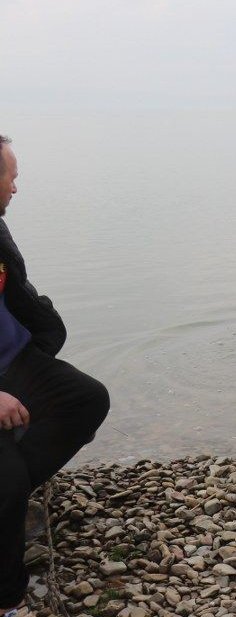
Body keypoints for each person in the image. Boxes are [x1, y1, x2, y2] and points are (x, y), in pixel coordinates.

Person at [0, 136, 110, 613]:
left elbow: (18, 290)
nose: (16, 187)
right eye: (11, 175)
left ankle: (14, 481)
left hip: (17, 359)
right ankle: (6, 598)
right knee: (3, 487)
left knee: (86, 399)